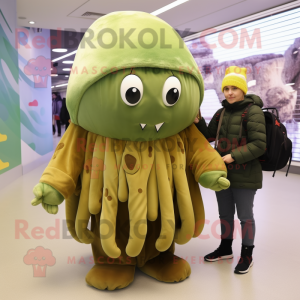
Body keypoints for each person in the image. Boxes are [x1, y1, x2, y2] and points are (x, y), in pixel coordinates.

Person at [194, 66, 266, 274]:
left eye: (234, 88)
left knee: (245, 216)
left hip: (245, 172)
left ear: (243, 90)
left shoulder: (253, 111)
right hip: (223, 173)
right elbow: (209, 135)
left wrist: (233, 156)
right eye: (226, 88)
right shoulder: (222, 112)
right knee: (225, 214)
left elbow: (259, 144)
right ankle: (225, 248)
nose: (230, 92)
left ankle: (247, 254)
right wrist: (199, 122)